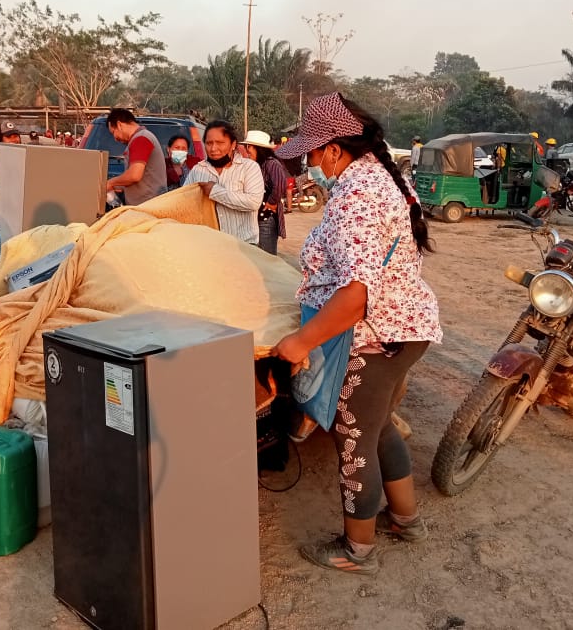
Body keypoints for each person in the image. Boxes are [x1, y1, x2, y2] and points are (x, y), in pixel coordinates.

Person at [271, 92, 442, 576]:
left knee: (353, 438)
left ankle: (356, 549)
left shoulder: (357, 196)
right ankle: (405, 519)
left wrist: (300, 342)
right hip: (405, 328)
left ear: (331, 150)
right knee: (379, 424)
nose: (307, 165)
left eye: (309, 153)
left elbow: (355, 296)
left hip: (374, 336)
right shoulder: (379, 177)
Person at [184, 121, 264, 244]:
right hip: (208, 246)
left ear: (233, 144)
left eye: (220, 143)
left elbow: (253, 202)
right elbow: (184, 202)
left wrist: (214, 191)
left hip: (243, 247)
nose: (213, 148)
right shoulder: (198, 170)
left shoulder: (249, 168)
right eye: (209, 143)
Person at [105, 109, 168, 205]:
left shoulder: (141, 138)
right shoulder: (139, 138)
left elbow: (134, 175)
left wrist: (111, 182)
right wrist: (119, 185)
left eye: (113, 132)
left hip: (148, 206)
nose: (115, 138)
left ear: (119, 125)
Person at [242, 130, 289, 255]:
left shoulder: (271, 163)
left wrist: (272, 202)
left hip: (266, 218)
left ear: (258, 148)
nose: (247, 151)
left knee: (267, 256)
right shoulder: (257, 165)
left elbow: (279, 185)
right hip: (255, 218)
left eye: (249, 147)